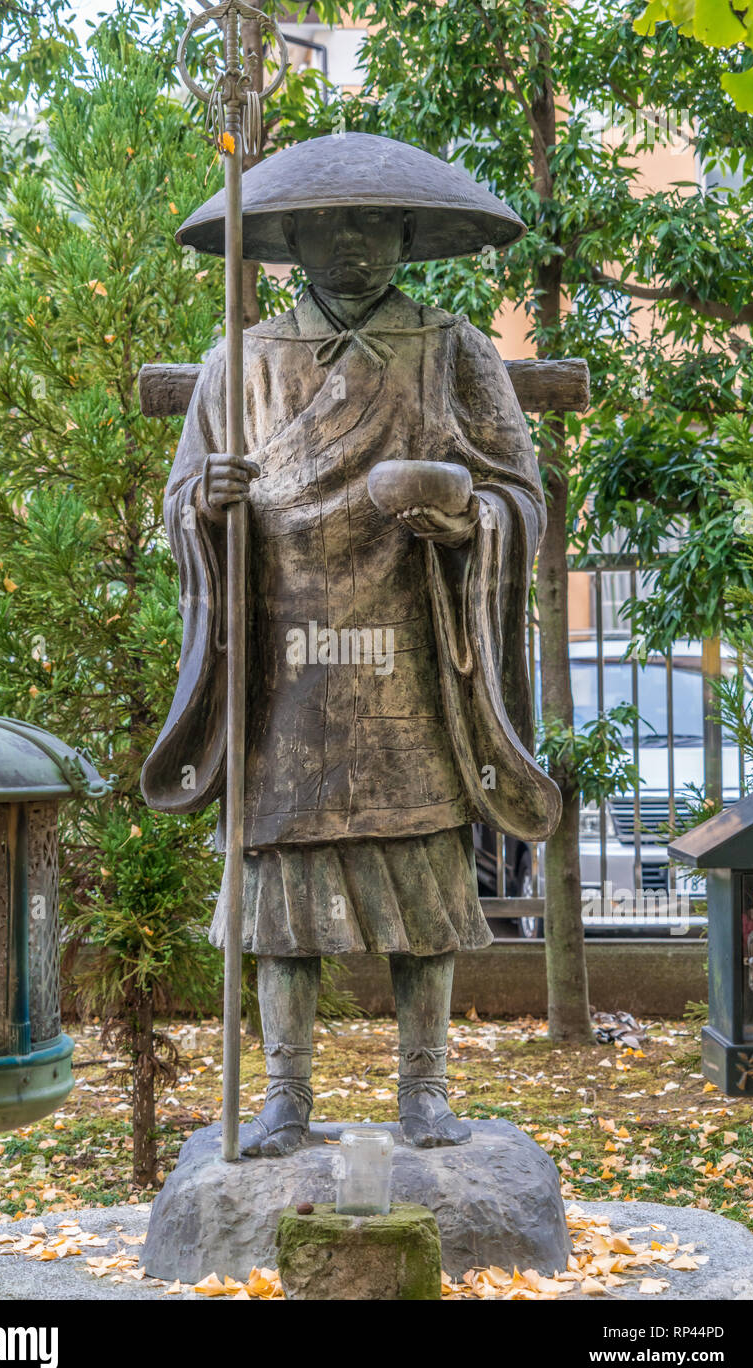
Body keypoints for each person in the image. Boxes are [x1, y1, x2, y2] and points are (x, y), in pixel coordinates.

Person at [142, 134, 559, 1155]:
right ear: (287, 240)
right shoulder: (238, 362)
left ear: (409, 234)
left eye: (374, 224)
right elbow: (180, 499)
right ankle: (285, 1092)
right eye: (330, 228)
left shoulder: (453, 349)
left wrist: (469, 512)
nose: (354, 246)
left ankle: (426, 1089)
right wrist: (208, 503)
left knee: (422, 878)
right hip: (290, 659)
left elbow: (523, 494)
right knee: (283, 889)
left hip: (407, 651)